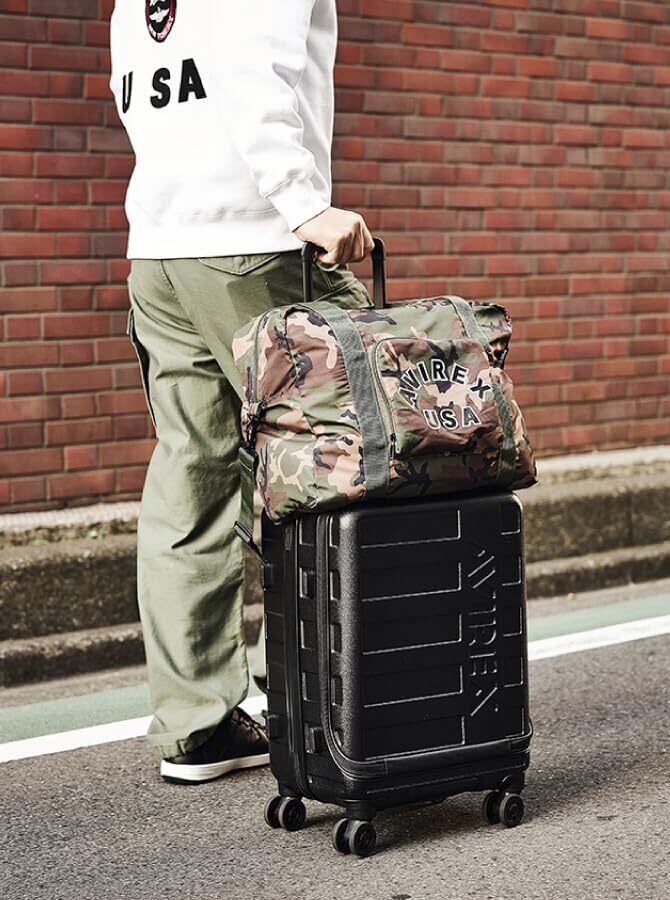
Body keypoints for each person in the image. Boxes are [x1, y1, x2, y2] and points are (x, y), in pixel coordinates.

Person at [109, 0, 374, 783]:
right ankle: (329, 705)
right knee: (346, 453)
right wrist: (303, 202)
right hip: (253, 243)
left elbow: (139, 84)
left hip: (161, 251)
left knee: (190, 478)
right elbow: (252, 68)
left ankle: (197, 723)